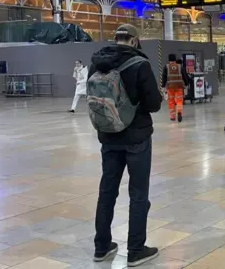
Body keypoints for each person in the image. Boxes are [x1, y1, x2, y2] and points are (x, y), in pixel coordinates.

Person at [88, 24, 162, 267]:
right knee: (138, 194)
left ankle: (101, 247)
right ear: (135, 41)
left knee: (107, 191)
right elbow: (153, 104)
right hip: (137, 138)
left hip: (108, 137)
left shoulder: (97, 62)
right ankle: (136, 250)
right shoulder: (140, 64)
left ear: (115, 39)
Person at [161, 54, 188, 122]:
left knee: (171, 101)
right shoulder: (179, 66)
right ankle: (179, 112)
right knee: (179, 100)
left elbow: (164, 77)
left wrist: (163, 86)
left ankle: (172, 116)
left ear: (169, 60)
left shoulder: (166, 67)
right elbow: (184, 75)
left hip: (170, 87)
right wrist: (186, 84)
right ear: (175, 59)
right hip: (179, 86)